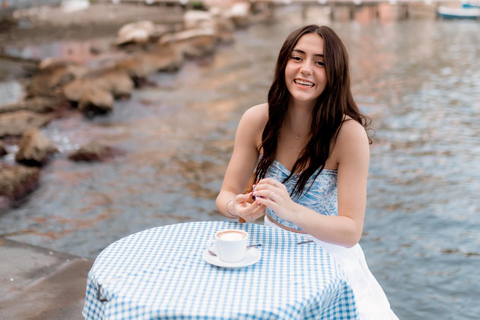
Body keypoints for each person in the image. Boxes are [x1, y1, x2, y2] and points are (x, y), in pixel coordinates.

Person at [216, 24, 398, 319]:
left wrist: (291, 210)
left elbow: (351, 231)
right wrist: (235, 206)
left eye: (320, 62)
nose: (306, 69)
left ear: (335, 74)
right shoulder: (256, 120)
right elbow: (226, 194)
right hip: (270, 253)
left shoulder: (348, 134)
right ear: (283, 63)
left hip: (329, 260)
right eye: (297, 58)